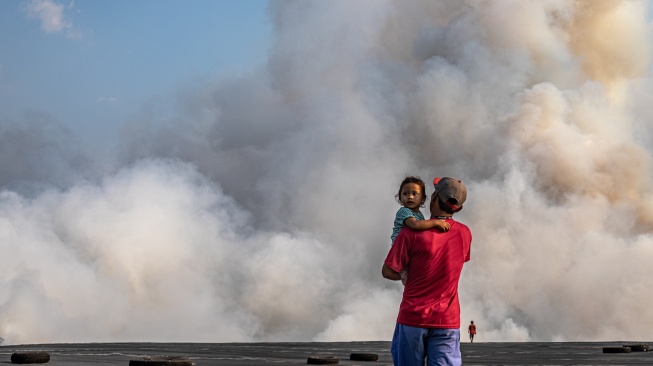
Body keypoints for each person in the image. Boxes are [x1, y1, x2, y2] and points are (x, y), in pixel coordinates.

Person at [382, 177, 471, 366]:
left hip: (412, 319)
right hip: (447, 320)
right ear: (459, 208)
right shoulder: (465, 234)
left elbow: (388, 272)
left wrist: (409, 274)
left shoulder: (410, 233)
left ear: (434, 196)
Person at [391, 176, 450, 244]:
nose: (410, 197)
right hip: (399, 247)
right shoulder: (403, 211)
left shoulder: (419, 215)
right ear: (400, 197)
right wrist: (436, 222)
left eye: (414, 194)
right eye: (405, 193)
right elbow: (414, 225)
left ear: (423, 198)